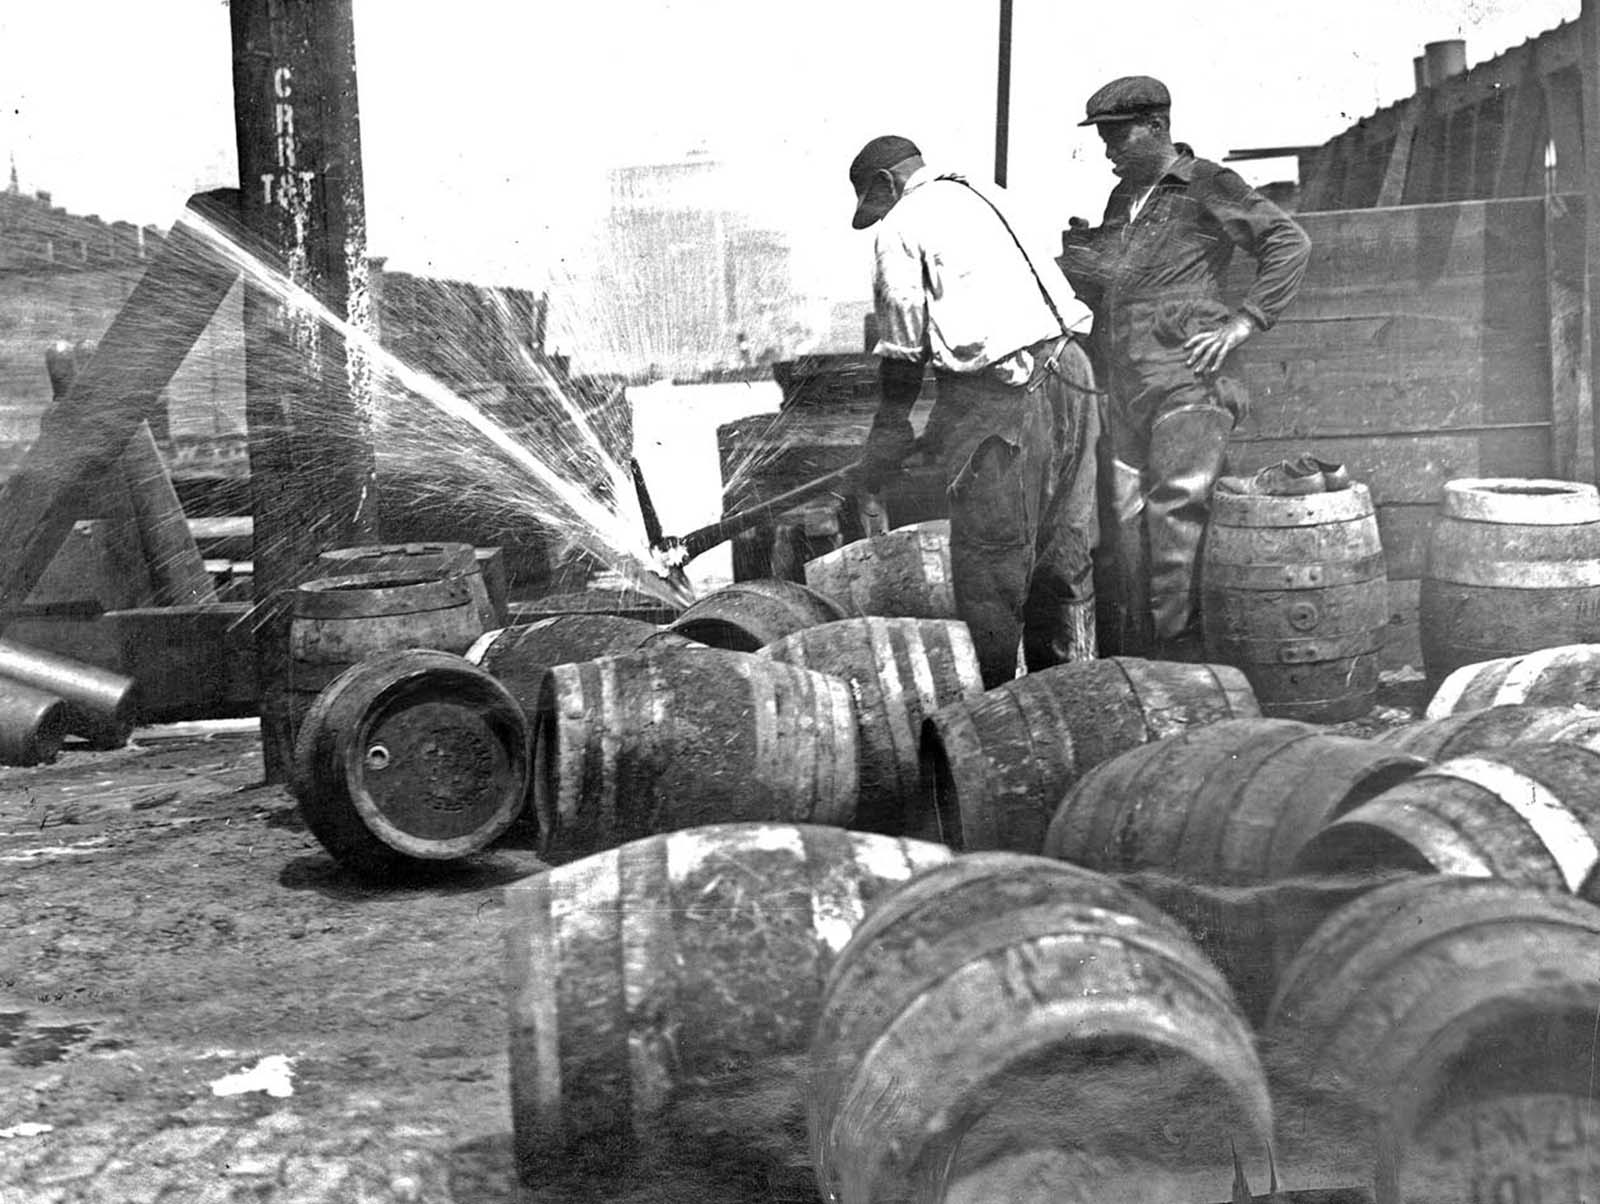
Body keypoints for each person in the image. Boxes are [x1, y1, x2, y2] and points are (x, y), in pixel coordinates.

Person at [1057, 76, 1311, 659]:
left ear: (1156, 127)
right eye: (1104, 137)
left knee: (1176, 522)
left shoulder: (1207, 184)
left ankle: (1183, 665)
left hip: (1185, 381)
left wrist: (1243, 322)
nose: (1109, 149)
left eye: (1118, 135)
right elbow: (1122, 284)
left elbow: (1288, 242)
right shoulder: (1124, 199)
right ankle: (1139, 662)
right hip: (1122, 385)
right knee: (1122, 523)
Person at [846, 134, 1100, 688]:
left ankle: (998, 714)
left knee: (991, 562)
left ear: (886, 185)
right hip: (1073, 374)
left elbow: (904, 352)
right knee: (1062, 550)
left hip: (1007, 395)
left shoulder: (900, 224)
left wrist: (887, 434)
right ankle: (1072, 699)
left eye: (876, 200)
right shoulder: (988, 192)